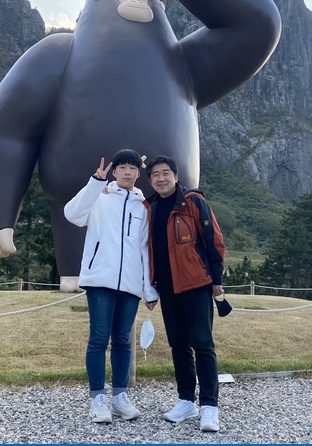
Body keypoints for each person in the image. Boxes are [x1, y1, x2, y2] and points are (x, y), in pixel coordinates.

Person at [64, 149, 159, 424]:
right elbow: (72, 214)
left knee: (122, 340)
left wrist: (149, 289)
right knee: (98, 337)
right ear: (114, 171)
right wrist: (95, 183)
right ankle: (97, 399)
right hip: (100, 279)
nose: (128, 172)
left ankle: (120, 397)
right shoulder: (100, 196)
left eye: (133, 168)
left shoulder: (143, 206)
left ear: (138, 173)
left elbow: (145, 250)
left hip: (130, 283)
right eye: (122, 167)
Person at [145, 155, 225, 432]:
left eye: (166, 172)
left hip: (196, 284)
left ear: (176, 176)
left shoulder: (192, 202)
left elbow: (214, 240)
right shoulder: (150, 208)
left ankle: (210, 406)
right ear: (150, 180)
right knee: (178, 345)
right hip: (167, 288)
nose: (161, 178)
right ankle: (186, 401)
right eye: (155, 174)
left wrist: (217, 278)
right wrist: (150, 286)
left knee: (203, 345)